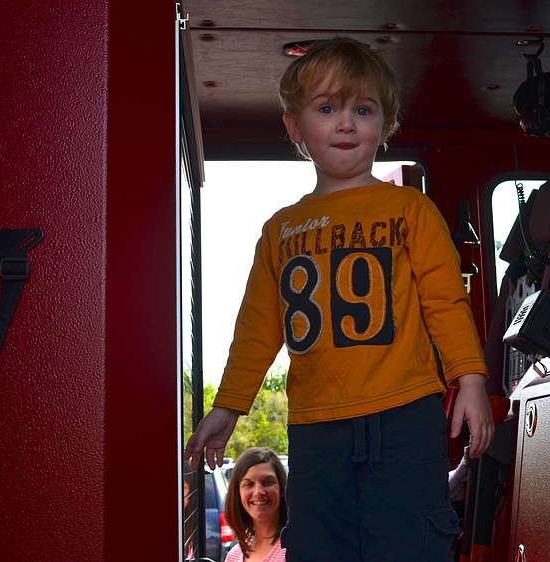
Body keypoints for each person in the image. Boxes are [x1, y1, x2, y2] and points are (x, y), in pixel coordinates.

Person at [184, 36, 494, 561]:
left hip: (406, 414)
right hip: (317, 426)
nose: (346, 123)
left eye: (363, 109)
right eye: (327, 109)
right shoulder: (280, 230)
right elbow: (258, 326)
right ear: (294, 127)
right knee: (321, 545)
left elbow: (445, 302)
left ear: (385, 125)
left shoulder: (410, 209)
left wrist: (471, 380)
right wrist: (229, 405)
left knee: (412, 542)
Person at [224, 447, 288, 562]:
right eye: (249, 484)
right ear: (238, 493)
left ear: (282, 489)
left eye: (268, 482)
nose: (258, 492)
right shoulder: (233, 556)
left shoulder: (294, 550)